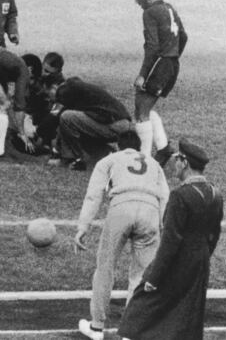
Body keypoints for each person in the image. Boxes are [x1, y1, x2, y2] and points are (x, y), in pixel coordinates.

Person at [118, 139, 223, 340]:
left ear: (184, 163)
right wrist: (201, 256)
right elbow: (214, 234)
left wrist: (154, 277)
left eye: (176, 160)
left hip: (177, 262)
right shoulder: (216, 194)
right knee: (186, 313)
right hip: (200, 262)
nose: (174, 165)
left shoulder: (180, 196)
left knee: (141, 304)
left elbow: (170, 240)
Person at [74, 131, 169, 340]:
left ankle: (97, 326)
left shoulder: (109, 160)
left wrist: (83, 226)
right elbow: (165, 197)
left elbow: (93, 195)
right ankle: (131, 332)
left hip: (121, 207)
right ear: (139, 147)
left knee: (105, 266)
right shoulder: (154, 164)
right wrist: (163, 226)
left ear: (118, 146)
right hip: (150, 211)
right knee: (142, 274)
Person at [129, 0, 187, 165]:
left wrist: (143, 74)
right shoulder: (169, 8)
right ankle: (163, 149)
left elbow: (152, 46)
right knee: (142, 107)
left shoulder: (150, 12)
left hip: (160, 64)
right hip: (171, 64)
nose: (136, 2)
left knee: (141, 110)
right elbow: (184, 36)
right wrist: (174, 55)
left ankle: (143, 160)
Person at [44, 77, 132, 171]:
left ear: (53, 87)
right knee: (75, 126)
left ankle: (72, 161)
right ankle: (110, 155)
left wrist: (52, 149)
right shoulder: (76, 88)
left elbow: (56, 119)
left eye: (47, 94)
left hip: (114, 123)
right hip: (121, 123)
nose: (49, 99)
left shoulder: (64, 91)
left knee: (66, 117)